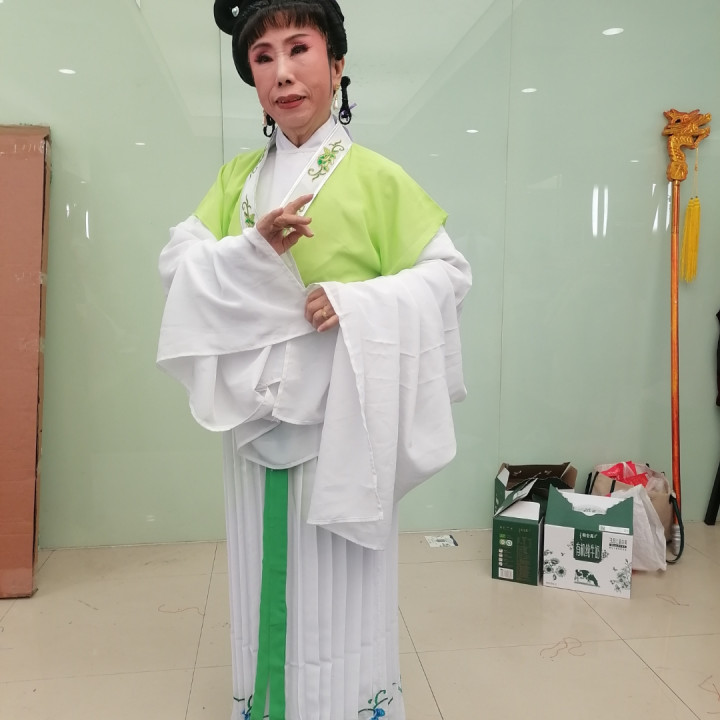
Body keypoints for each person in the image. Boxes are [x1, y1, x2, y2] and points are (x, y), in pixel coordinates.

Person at [157, 1, 472, 718]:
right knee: (258, 572)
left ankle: (348, 704)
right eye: (263, 57)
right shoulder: (237, 180)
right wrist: (250, 251)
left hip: (343, 419)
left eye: (299, 49)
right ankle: (265, 702)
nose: (282, 73)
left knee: (341, 585)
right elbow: (178, 263)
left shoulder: (377, 177)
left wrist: (353, 302)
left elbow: (448, 275)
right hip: (252, 416)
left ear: (336, 63)